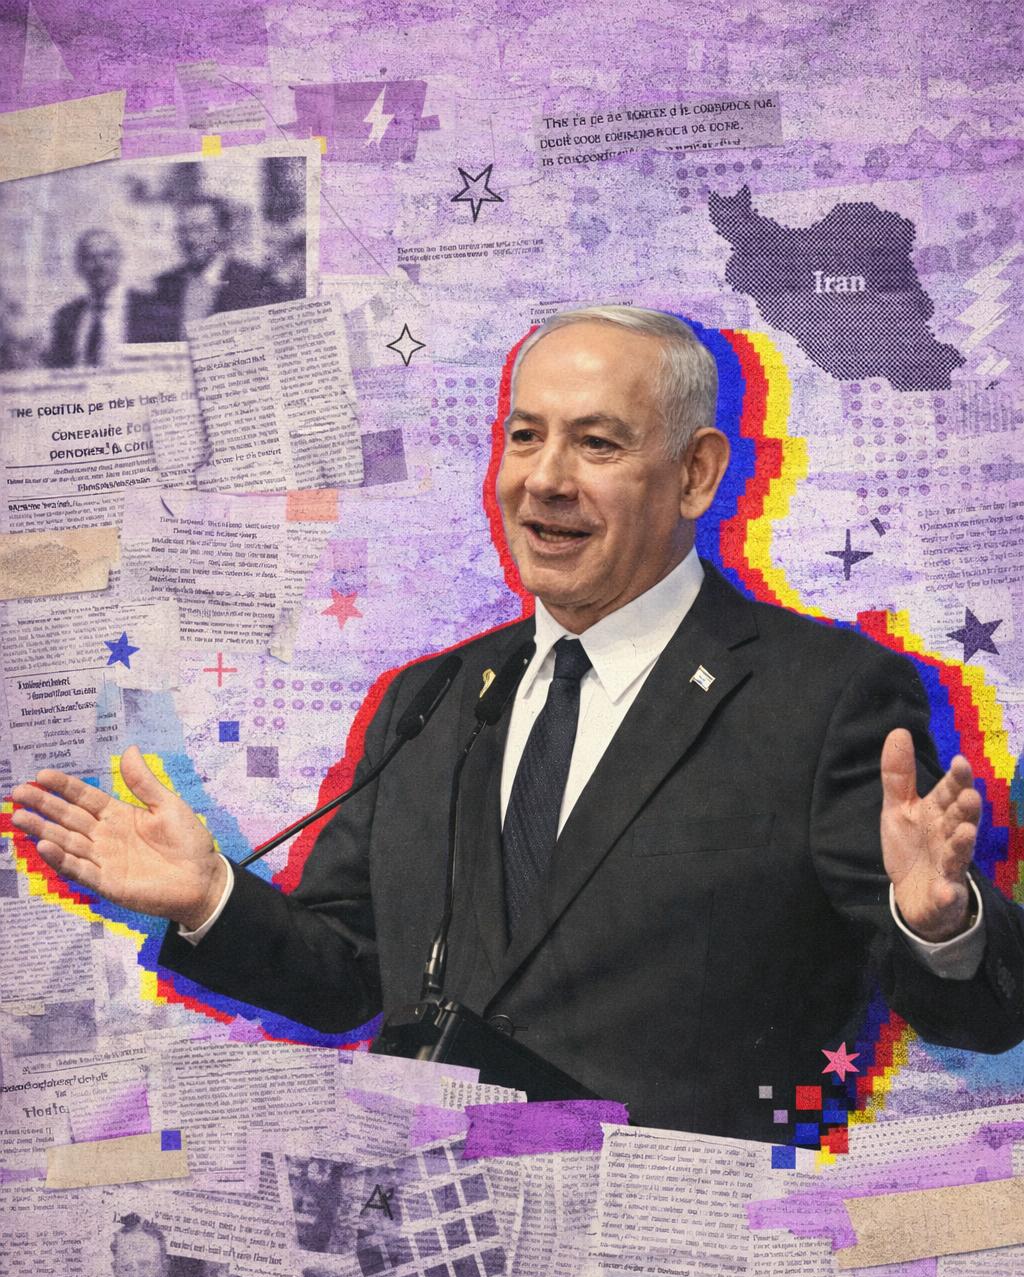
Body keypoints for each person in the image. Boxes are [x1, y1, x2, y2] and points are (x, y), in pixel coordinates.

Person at [13, 308, 1024, 1140]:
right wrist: (211, 899)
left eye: (596, 442)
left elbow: (979, 1011)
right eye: (524, 435)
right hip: (443, 1229)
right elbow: (350, 979)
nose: (543, 478)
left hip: (670, 1248)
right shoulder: (429, 699)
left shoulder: (828, 697)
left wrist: (942, 927)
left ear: (696, 474)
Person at [130, 196, 286, 342]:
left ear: (224, 233)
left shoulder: (254, 282)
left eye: (200, 229)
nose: (190, 239)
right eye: (183, 231)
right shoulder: (164, 284)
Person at [44, 229, 148, 367]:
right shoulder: (66, 318)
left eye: (107, 256)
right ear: (79, 266)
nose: (100, 265)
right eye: (90, 257)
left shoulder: (147, 310)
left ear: (120, 260)